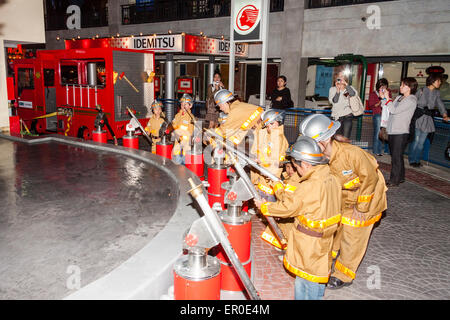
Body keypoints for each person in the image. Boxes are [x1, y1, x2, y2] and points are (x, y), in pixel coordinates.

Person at [299, 114, 387, 290]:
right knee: (335, 228)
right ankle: (326, 261)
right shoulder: (320, 159)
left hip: (368, 195)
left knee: (353, 234)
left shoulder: (352, 154)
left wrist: (362, 208)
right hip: (345, 196)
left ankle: (344, 274)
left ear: (323, 141)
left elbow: (370, 179)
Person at [254, 136, 342, 300]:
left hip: (310, 240)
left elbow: (290, 207)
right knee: (316, 276)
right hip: (325, 238)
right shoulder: (331, 177)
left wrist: (265, 206)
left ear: (307, 164)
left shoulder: (311, 185)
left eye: (297, 166)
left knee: (307, 280)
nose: (296, 170)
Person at [250, 109, 290, 249]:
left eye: (272, 124)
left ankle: (274, 228)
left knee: (270, 203)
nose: (269, 127)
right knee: (263, 199)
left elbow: (275, 161)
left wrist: (269, 172)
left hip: (270, 177)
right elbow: (261, 150)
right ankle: (267, 221)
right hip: (263, 175)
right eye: (266, 125)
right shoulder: (267, 135)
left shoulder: (279, 138)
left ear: (278, 122)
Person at [380, 77, 418, 186]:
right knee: (397, 155)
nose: (400, 87)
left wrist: (388, 99)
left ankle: (394, 180)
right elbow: (387, 108)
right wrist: (383, 98)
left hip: (400, 131)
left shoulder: (411, 100)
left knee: (396, 157)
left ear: (410, 87)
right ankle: (400, 177)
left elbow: (394, 110)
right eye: (401, 85)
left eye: (403, 85)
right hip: (392, 130)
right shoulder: (399, 98)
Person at [408, 74, 449, 167]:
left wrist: (444, 114)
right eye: (438, 81)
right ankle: (412, 160)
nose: (440, 83)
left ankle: (417, 160)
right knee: (415, 141)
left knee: (421, 143)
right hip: (418, 118)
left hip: (428, 119)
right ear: (432, 81)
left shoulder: (437, 93)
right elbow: (412, 102)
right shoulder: (421, 91)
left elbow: (440, 104)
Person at [328, 71, 358, 139]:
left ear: (345, 78)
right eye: (339, 77)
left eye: (342, 77)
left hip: (347, 116)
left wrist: (346, 85)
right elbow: (334, 101)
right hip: (336, 117)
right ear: (336, 78)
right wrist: (338, 91)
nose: (340, 79)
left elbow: (353, 94)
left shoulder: (349, 89)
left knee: (345, 138)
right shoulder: (332, 89)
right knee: (335, 138)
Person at [368, 78, 391, 156]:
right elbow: (371, 105)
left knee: (386, 132)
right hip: (377, 114)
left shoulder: (388, 93)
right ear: (378, 87)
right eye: (381, 87)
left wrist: (387, 98)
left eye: (385, 87)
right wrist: (380, 101)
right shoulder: (373, 94)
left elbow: (390, 103)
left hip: (386, 115)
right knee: (378, 132)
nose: (383, 88)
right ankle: (376, 150)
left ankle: (385, 150)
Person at [171, 94, 196, 165]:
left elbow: (190, 132)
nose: (183, 106)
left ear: (190, 106)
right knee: (176, 163)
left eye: (185, 104)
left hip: (185, 145)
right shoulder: (177, 115)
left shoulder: (191, 118)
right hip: (177, 144)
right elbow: (173, 126)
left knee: (185, 164)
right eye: (182, 104)